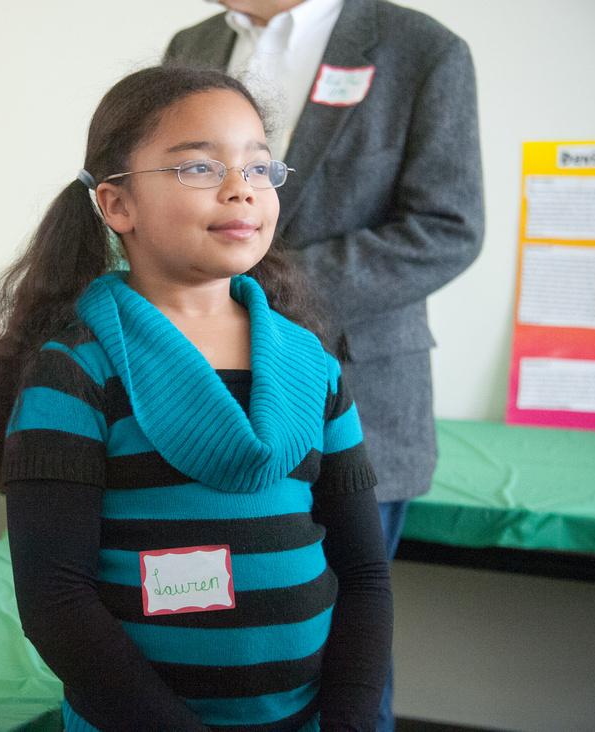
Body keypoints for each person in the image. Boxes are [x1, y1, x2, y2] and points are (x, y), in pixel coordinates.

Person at [0, 66, 390, 731]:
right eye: (197, 168)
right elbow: (56, 601)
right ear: (116, 205)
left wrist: (352, 722)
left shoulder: (313, 366)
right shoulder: (75, 373)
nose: (240, 190)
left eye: (258, 167)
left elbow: (364, 572)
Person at [166, 3, 485, 727]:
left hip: (360, 397)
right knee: (215, 617)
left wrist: (269, 288)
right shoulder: (194, 43)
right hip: (199, 393)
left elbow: (449, 226)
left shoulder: (421, 49)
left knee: (347, 640)